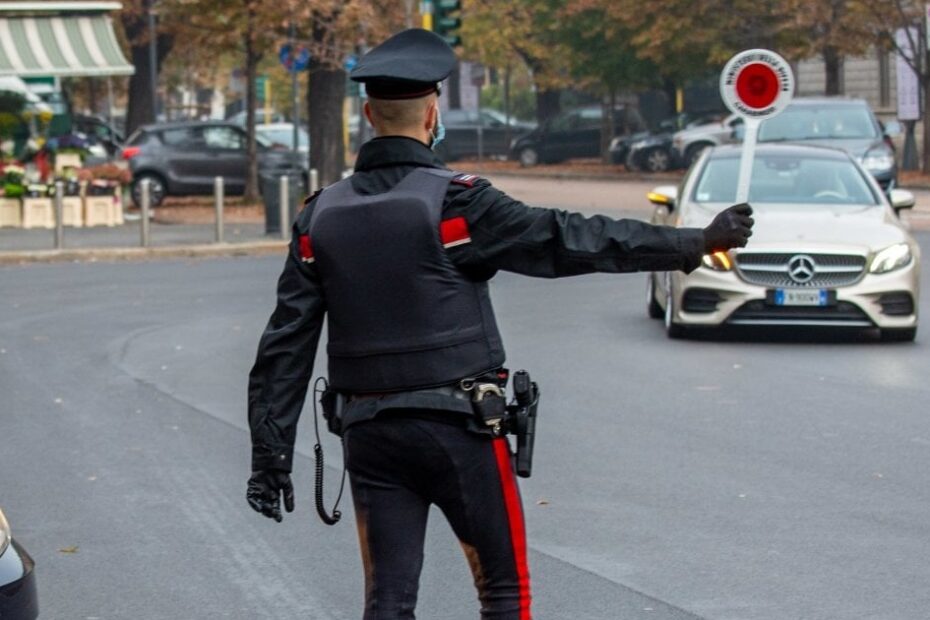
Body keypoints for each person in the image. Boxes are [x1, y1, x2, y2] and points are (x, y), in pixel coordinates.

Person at [246, 28, 753, 620]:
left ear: (367, 114)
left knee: (388, 601)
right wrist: (695, 242)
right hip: (461, 431)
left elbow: (285, 347)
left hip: (372, 436)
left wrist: (270, 458)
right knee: (504, 594)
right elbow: (571, 240)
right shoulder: (458, 205)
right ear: (434, 111)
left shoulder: (318, 216)